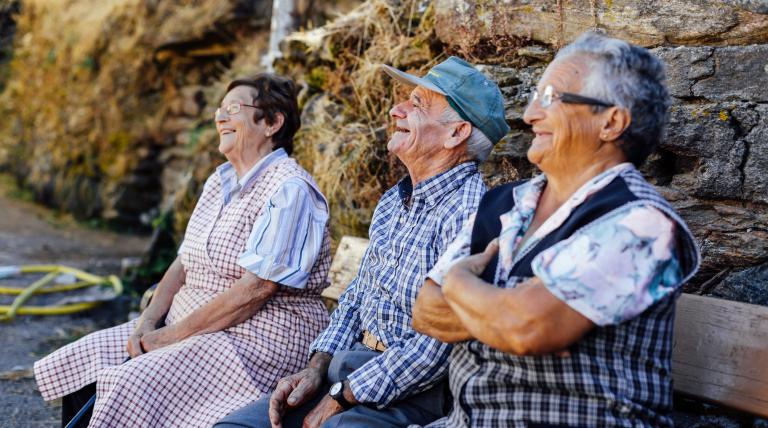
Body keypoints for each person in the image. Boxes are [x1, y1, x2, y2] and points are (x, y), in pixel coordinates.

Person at [413, 32, 701, 427]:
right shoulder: (504, 204)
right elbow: (426, 311)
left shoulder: (642, 222)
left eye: (550, 98)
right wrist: (508, 311)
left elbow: (528, 326)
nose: (530, 114)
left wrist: (461, 282)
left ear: (611, 121)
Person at [216, 57, 510, 428]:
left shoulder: (471, 214)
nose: (395, 109)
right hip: (349, 370)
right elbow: (358, 294)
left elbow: (437, 345)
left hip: (413, 393)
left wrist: (344, 395)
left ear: (457, 133)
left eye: (417, 104)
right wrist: (316, 369)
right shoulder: (394, 200)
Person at [34, 74, 333, 427]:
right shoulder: (220, 180)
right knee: (85, 360)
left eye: (233, 108)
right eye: (219, 109)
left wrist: (168, 338)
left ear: (271, 123)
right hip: (195, 327)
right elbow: (183, 262)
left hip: (255, 342)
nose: (220, 117)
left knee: (128, 383)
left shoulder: (289, 189)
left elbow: (256, 290)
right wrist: (147, 322)